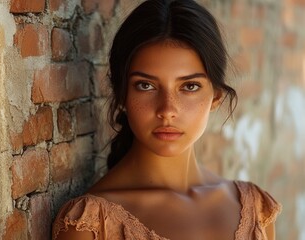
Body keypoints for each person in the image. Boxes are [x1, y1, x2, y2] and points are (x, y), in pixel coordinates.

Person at [52, 0, 281, 239]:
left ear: (215, 97)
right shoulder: (89, 224)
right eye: (146, 85)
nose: (167, 109)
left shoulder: (255, 210)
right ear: (121, 94)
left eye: (189, 86)